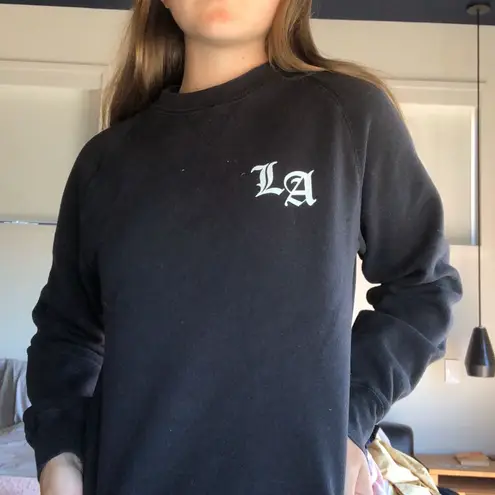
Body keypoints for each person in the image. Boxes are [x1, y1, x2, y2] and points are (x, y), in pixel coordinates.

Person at [23, 0, 463, 494]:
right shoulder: (104, 163)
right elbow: (66, 332)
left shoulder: (347, 115)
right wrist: (58, 455)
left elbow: (423, 289)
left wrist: (349, 416)